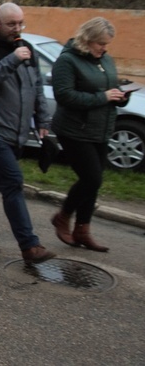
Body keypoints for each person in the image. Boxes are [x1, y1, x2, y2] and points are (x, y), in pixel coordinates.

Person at [0, 3, 56, 264]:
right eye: (11, 24)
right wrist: (12, 59)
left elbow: (36, 86)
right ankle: (29, 246)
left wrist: (42, 118)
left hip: (16, 130)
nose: (17, 29)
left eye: (20, 24)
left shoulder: (25, 48)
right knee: (13, 182)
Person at [50, 17, 128, 252]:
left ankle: (82, 230)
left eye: (106, 44)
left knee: (94, 183)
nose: (104, 48)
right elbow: (64, 96)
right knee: (91, 178)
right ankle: (63, 217)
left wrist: (121, 94)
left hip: (101, 128)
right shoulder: (67, 61)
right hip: (74, 130)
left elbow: (108, 86)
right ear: (88, 40)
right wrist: (102, 97)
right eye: (101, 44)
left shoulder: (105, 59)